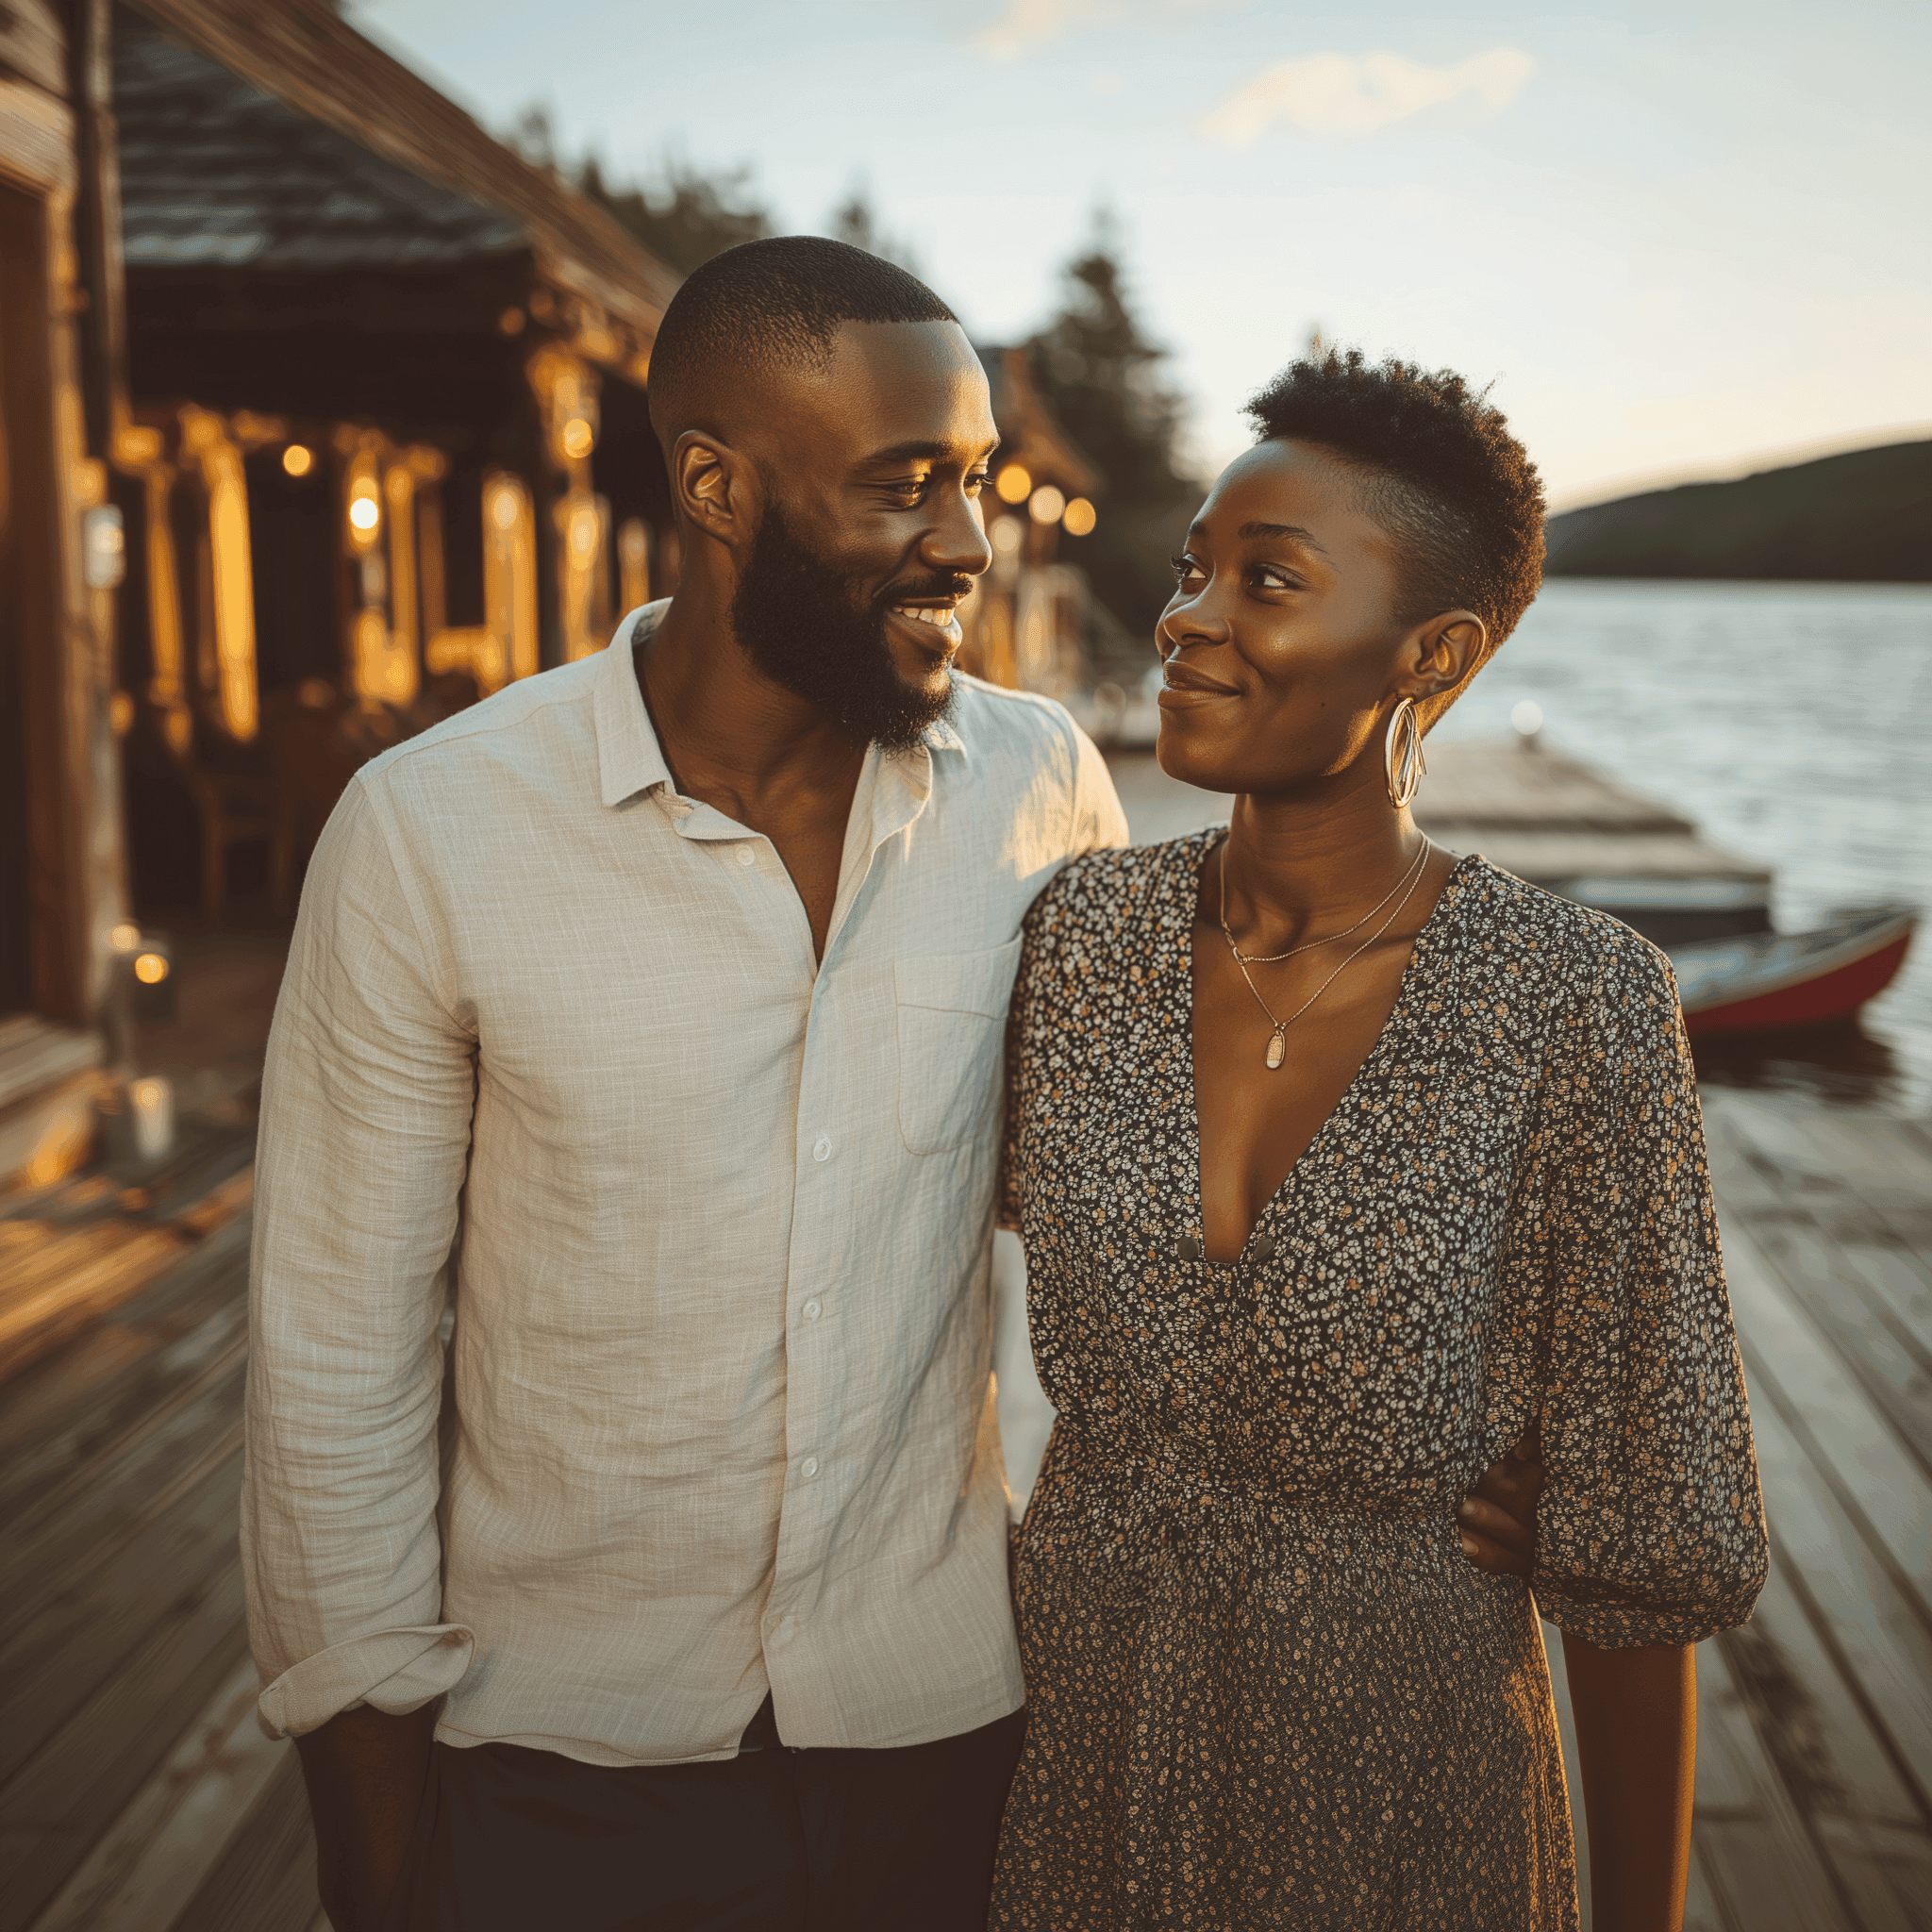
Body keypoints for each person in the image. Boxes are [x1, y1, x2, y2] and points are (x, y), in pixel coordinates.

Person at [243, 237, 1545, 1932]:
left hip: (955, 1750)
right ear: (716, 485)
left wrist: (1439, 1425)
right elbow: (332, 1368)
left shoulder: (1038, 784)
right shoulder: (431, 832)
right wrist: (376, 1835)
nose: (967, 542)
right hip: (561, 1769)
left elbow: (1130, 1205)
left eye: (977, 478)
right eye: (904, 486)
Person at [992, 349, 1769, 1931]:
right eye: (1197, 567)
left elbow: (1638, 1567)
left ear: (1435, 651)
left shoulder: (1578, 1006)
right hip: (1080, 1772)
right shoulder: (1080, 939)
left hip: (1407, 1804)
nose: (1188, 617)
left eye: (1266, 582)